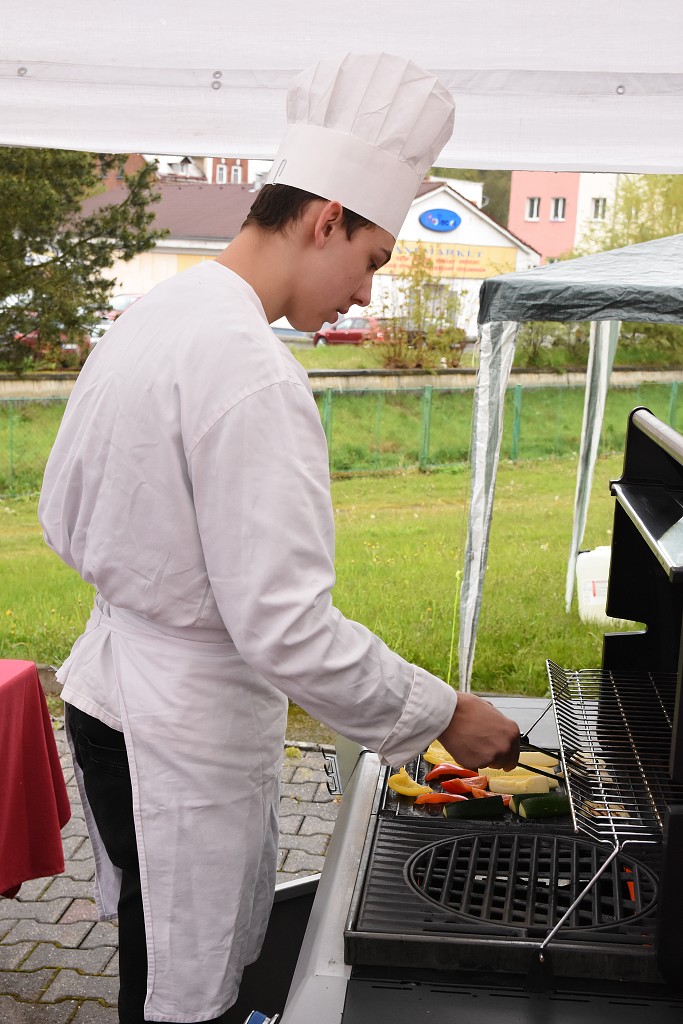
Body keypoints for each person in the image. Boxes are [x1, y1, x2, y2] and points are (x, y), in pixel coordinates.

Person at [38, 52, 520, 1023]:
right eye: (373, 260)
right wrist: (438, 714)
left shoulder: (157, 314)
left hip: (105, 699)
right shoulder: (251, 371)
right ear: (324, 218)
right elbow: (287, 630)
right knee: (186, 991)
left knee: (147, 956)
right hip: (177, 730)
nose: (367, 295)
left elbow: (62, 511)